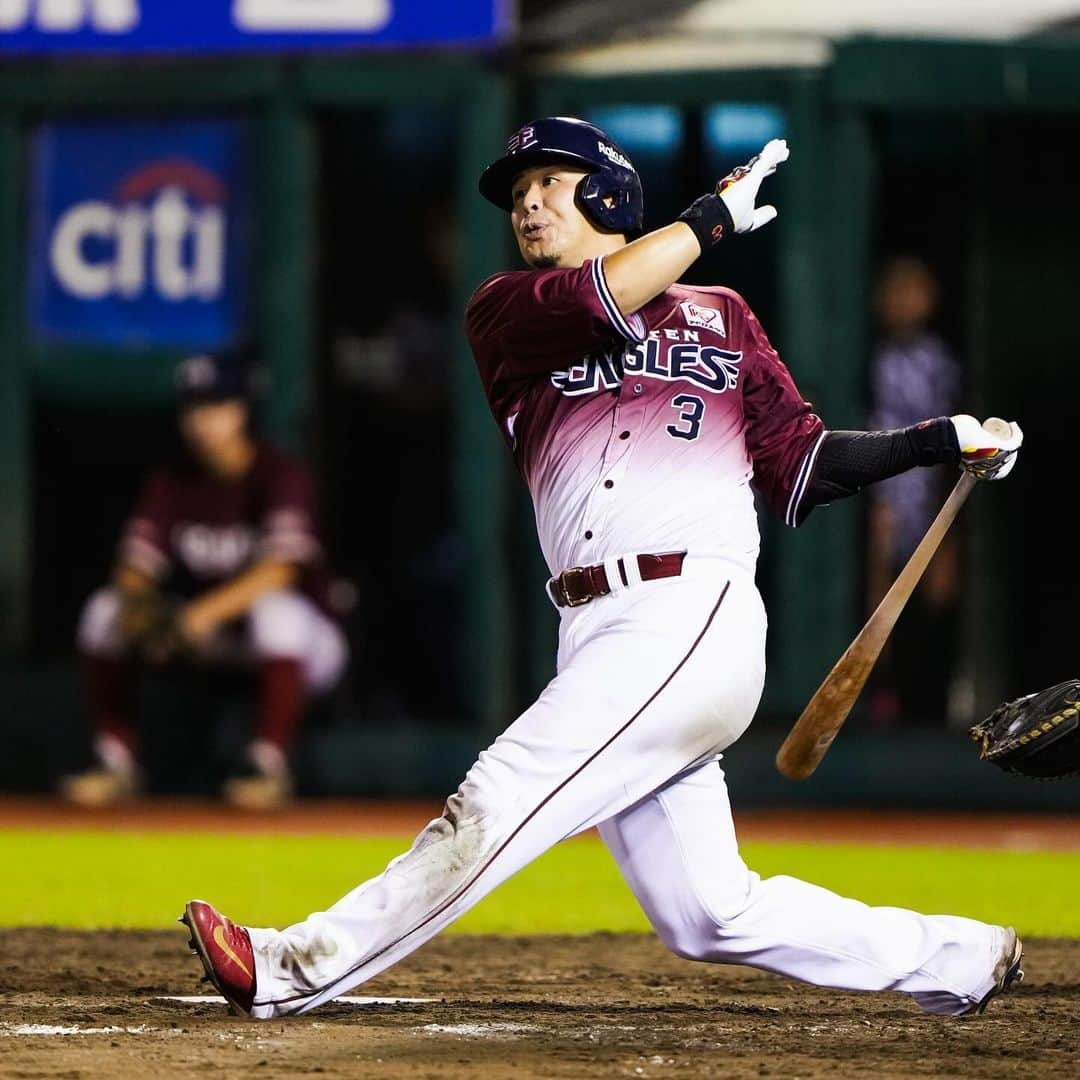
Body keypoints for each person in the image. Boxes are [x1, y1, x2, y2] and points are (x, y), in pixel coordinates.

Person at [180, 118, 1025, 1018]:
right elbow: (605, 297)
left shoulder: (723, 316)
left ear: (610, 194)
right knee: (709, 914)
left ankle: (289, 967)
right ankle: (959, 958)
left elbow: (804, 466)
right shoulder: (509, 311)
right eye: (516, 195)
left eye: (549, 182)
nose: (528, 204)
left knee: (497, 797)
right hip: (593, 627)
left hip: (688, 611)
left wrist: (939, 440)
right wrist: (708, 223)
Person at [61, 350, 348, 810]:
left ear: (242, 411)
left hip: (310, 646)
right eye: (195, 407)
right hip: (213, 637)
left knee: (278, 613)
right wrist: (147, 611)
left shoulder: (279, 474)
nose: (204, 421)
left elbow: (282, 569)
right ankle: (115, 761)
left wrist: (199, 615)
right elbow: (134, 569)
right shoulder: (173, 481)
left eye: (217, 406)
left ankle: (267, 767)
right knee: (103, 612)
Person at [864, 256, 963, 727]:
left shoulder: (940, 361)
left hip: (929, 494)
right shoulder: (869, 358)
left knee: (934, 592)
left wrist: (950, 516)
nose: (903, 301)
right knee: (879, 595)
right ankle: (883, 697)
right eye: (894, 290)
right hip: (880, 488)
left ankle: (932, 702)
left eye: (913, 290)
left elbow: (959, 438)